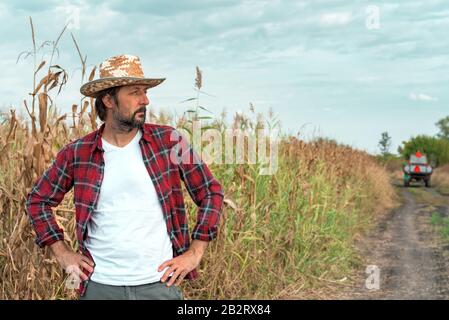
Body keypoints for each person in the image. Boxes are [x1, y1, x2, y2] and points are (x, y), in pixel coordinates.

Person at [26, 54, 224, 300]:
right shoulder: (78, 153)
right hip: (99, 287)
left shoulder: (169, 142)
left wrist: (195, 252)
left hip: (159, 284)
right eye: (135, 92)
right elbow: (38, 201)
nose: (145, 100)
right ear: (109, 99)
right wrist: (63, 253)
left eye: (145, 92)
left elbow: (210, 192)